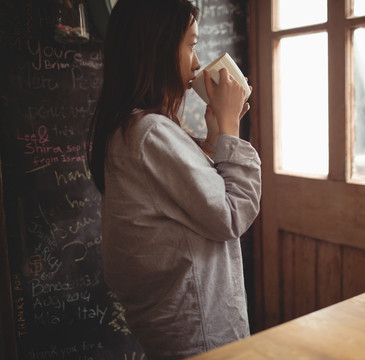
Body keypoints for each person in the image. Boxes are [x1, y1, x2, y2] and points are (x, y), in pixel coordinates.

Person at [88, 0, 261, 359]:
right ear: (155, 51)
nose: (197, 63)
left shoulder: (131, 127)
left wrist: (215, 140)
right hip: (199, 329)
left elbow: (192, 201)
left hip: (180, 322)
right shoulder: (151, 133)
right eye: (191, 45)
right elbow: (229, 215)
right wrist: (231, 129)